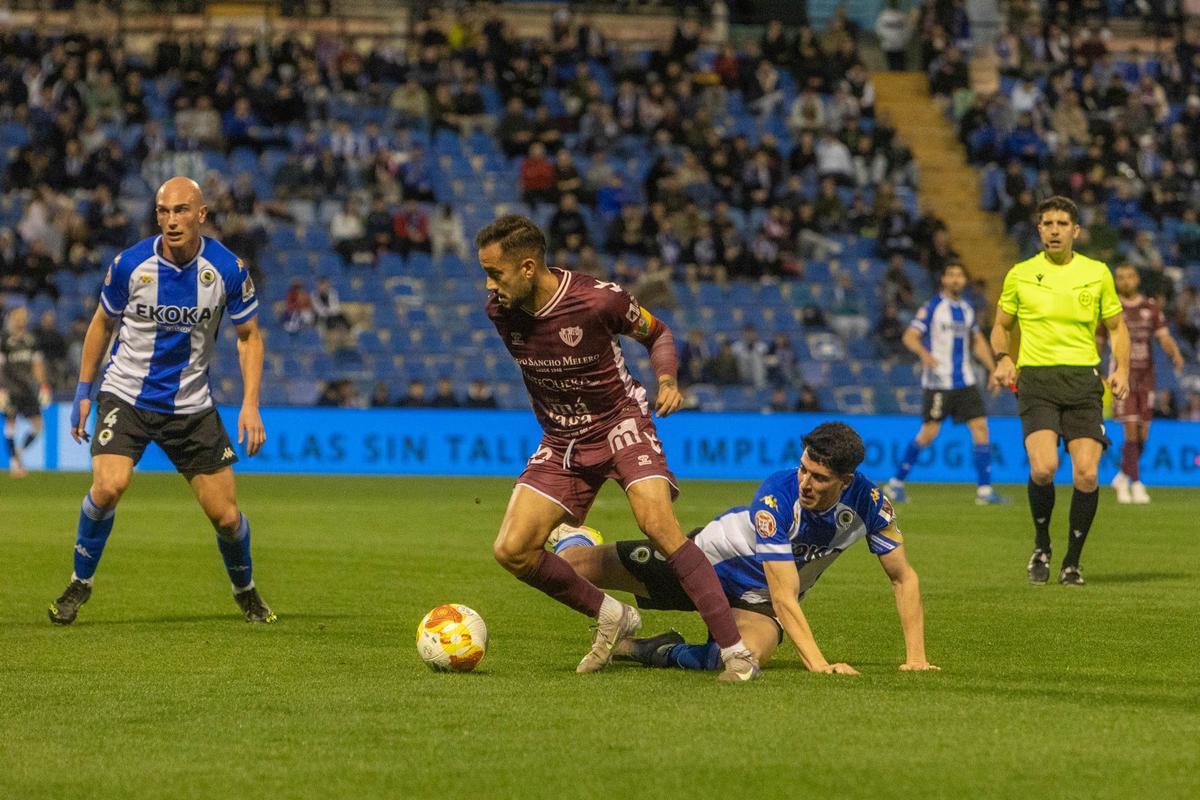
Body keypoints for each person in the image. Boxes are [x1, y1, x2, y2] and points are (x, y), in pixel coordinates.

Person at [477, 214, 758, 681]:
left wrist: (667, 379)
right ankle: (613, 615)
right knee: (512, 550)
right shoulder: (501, 311)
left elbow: (658, 333)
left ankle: (737, 653)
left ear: (528, 267)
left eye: (495, 273)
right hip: (562, 438)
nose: (489, 287)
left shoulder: (598, 300)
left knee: (657, 525)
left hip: (619, 423)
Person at [47, 176, 273, 625]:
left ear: (201, 214)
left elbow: (249, 337)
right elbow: (101, 324)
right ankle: (80, 583)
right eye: (164, 212)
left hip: (191, 406)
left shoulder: (227, 269)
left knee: (226, 518)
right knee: (109, 486)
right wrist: (83, 392)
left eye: (182, 210)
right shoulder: (130, 265)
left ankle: (245, 590)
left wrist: (250, 403)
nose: (172, 221)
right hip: (126, 394)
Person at [553, 422, 938, 675]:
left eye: (819, 478)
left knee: (745, 659)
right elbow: (786, 595)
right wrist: (820, 666)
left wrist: (916, 658)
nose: (805, 482)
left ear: (846, 481)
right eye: (804, 469)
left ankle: (651, 649)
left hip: (756, 600)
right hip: (698, 564)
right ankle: (576, 535)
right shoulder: (777, 494)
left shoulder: (869, 504)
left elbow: (903, 578)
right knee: (568, 566)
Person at [990, 196, 1129, 587]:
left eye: (1061, 224)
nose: (1054, 230)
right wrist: (1002, 357)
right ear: (1039, 230)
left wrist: (1122, 370)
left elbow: (1118, 328)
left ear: (1075, 231)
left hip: (1084, 381)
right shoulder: (1020, 274)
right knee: (1044, 467)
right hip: (1036, 380)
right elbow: (1000, 325)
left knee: (1086, 474)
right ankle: (1041, 546)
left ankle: (1072, 561)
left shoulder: (1097, 273)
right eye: (1047, 223)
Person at [886, 263, 1005, 505]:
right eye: (950, 274)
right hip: (939, 382)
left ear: (964, 281)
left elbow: (977, 341)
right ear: (943, 279)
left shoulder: (967, 309)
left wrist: (993, 369)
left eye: (959, 275)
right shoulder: (932, 308)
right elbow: (909, 336)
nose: (955, 279)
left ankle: (984, 491)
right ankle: (895, 483)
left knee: (981, 427)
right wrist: (924, 353)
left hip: (965, 381)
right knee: (929, 433)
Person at [1101, 264, 1184, 504]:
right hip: (1121, 376)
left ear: (1136, 279)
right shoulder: (1109, 308)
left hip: (1146, 377)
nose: (1124, 281)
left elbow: (1164, 337)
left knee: (1142, 435)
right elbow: (1097, 341)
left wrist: (1175, 353)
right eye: (1120, 278)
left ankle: (1122, 476)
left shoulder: (1151, 308)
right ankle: (1136, 485)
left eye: (1128, 277)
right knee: (1130, 429)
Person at [0, 305, 52, 477]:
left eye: (25, 316)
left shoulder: (31, 340)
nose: (23, 319)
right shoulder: (4, 340)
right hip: (10, 389)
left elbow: (37, 364)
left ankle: (19, 451)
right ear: (12, 317)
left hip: (27, 389)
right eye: (20, 316)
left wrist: (43, 385)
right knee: (10, 425)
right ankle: (15, 464)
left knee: (38, 426)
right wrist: (1, 390)